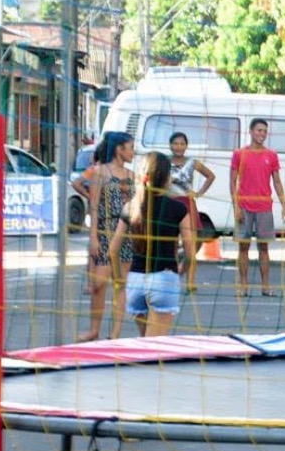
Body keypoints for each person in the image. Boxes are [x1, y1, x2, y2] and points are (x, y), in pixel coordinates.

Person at [109, 152, 197, 338]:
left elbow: (113, 250)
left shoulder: (131, 207)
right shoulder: (178, 209)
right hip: (164, 278)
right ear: (167, 178)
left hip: (136, 280)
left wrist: (119, 280)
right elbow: (190, 251)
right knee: (155, 348)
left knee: (147, 345)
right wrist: (183, 268)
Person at [80, 131, 135, 342]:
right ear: (119, 149)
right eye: (130, 147)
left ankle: (115, 334)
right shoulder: (100, 172)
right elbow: (93, 207)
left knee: (121, 284)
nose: (132, 152)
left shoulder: (131, 175)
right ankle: (94, 330)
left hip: (126, 232)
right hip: (105, 230)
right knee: (98, 283)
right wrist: (93, 236)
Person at [230, 118, 285, 297]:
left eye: (264, 131)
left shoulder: (271, 155)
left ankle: (265, 286)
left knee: (264, 248)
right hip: (244, 207)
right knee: (243, 248)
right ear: (251, 131)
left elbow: (277, 181)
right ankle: (244, 286)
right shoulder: (239, 154)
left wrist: (284, 205)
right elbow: (232, 182)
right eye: (259, 130)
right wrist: (236, 207)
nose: (261, 134)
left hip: (264, 207)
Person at [168, 131, 216, 269]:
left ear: (186, 146)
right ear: (170, 145)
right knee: (172, 244)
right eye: (176, 143)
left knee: (191, 244)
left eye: (182, 144)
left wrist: (199, 193)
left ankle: (189, 282)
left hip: (187, 203)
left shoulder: (192, 162)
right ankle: (174, 276)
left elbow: (210, 176)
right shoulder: (164, 161)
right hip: (169, 203)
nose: (178, 147)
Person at [72, 139, 108, 295]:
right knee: (98, 249)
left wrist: (89, 196)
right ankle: (94, 282)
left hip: (98, 211)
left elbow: (77, 183)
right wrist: (90, 196)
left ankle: (92, 283)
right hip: (101, 212)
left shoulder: (95, 169)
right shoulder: (98, 170)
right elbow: (77, 183)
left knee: (94, 251)